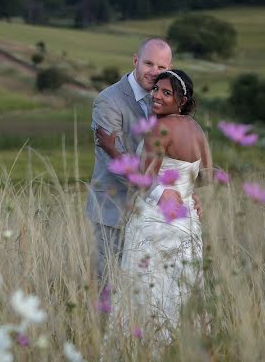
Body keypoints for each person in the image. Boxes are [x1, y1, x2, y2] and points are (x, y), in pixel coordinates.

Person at [111, 69, 212, 343]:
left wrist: (161, 192)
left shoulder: (160, 127)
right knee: (181, 286)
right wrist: (188, 192)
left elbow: (143, 178)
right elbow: (207, 174)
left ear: (181, 100)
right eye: (156, 89)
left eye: (166, 93)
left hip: (156, 219)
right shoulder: (196, 129)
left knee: (148, 286)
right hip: (188, 221)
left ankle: (146, 347)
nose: (157, 96)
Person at [86, 37, 173, 287]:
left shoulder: (165, 101)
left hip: (151, 215)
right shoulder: (109, 100)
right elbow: (115, 156)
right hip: (114, 210)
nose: (154, 72)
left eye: (162, 68)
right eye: (148, 63)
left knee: (145, 287)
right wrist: (159, 192)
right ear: (135, 60)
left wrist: (184, 193)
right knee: (110, 285)